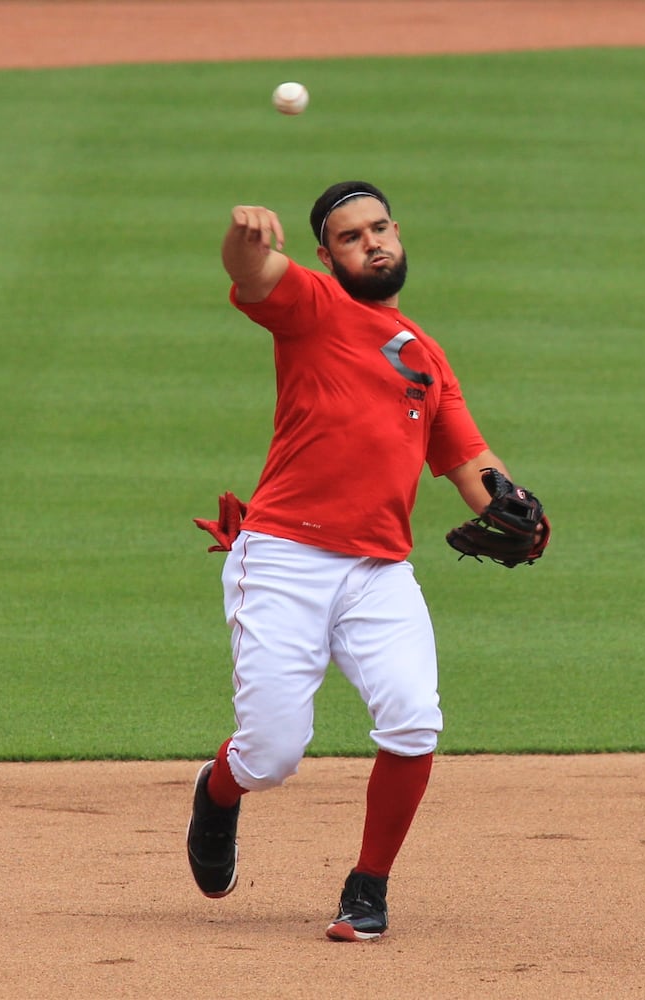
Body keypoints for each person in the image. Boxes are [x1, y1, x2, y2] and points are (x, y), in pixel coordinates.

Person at [186, 180, 545, 942]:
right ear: (327, 255)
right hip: (285, 556)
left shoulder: (426, 355)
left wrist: (518, 508)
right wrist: (246, 241)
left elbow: (469, 460)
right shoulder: (314, 308)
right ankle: (219, 793)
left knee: (414, 723)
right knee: (273, 755)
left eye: (380, 228)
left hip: (379, 570)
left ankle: (367, 887)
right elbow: (253, 276)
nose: (373, 242)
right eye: (352, 237)